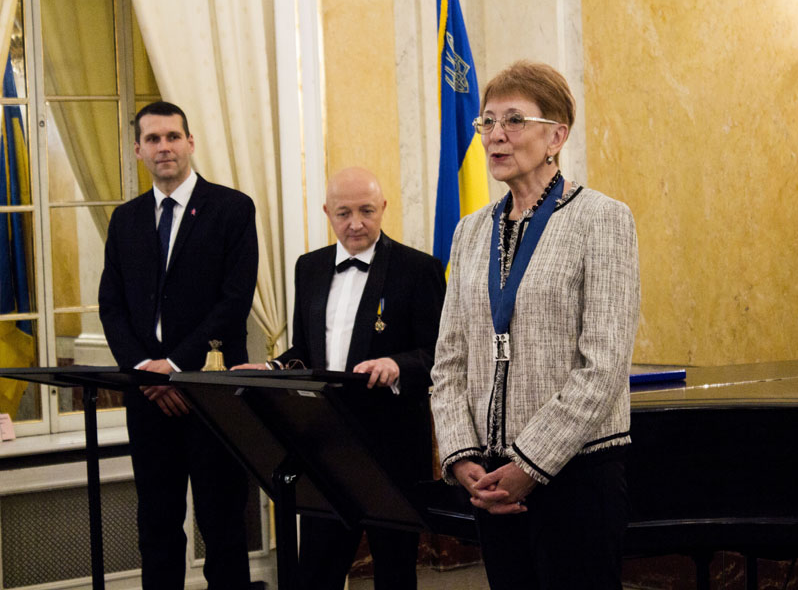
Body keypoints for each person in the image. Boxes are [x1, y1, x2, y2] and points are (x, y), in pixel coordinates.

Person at [430, 60, 641, 590]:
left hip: (578, 475)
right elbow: (449, 361)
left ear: (556, 137)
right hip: (491, 480)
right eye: (487, 121)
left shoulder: (602, 219)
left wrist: (530, 466)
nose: (495, 135)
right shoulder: (470, 232)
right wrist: (462, 457)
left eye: (514, 120)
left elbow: (603, 367)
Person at [233, 166, 446, 590]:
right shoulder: (309, 267)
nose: (356, 223)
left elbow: (439, 352)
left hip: (392, 446)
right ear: (327, 212)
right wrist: (273, 368)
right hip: (325, 445)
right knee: (316, 572)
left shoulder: (418, 268)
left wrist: (397, 365)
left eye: (367, 211)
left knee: (395, 572)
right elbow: (305, 351)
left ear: (383, 207)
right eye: (344, 213)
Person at [98, 101, 258, 589]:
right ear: (138, 150)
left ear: (190, 142)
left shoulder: (232, 208)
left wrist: (174, 367)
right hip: (149, 397)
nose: (163, 147)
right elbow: (111, 308)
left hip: (211, 393)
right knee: (157, 527)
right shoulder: (125, 220)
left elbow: (234, 301)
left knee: (222, 524)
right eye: (152, 139)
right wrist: (147, 370)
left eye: (172, 136)